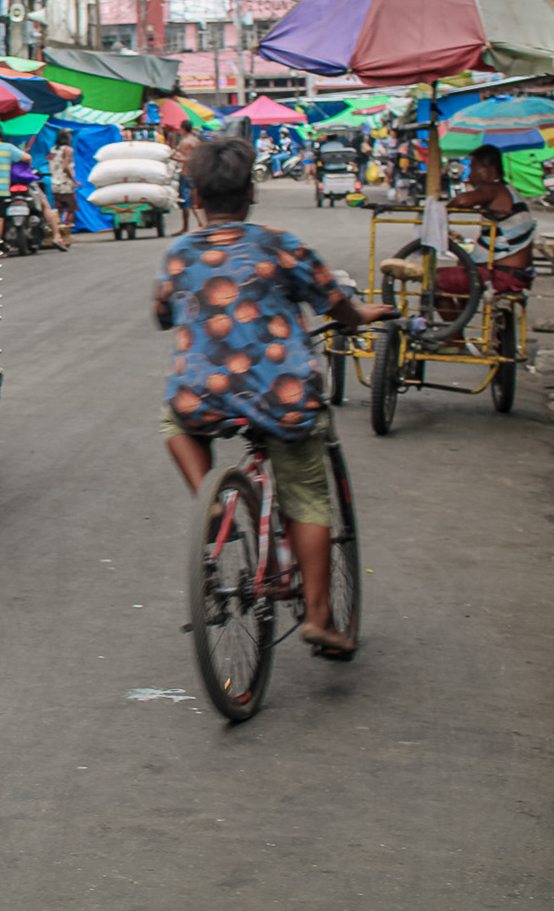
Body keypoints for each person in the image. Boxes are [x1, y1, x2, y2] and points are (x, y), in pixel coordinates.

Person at [154, 137, 394, 658]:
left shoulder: (179, 253)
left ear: (194, 197)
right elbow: (334, 303)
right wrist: (362, 314)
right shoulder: (277, 243)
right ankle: (320, 617)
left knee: (175, 423)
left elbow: (162, 314)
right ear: (252, 192)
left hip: (203, 395)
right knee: (307, 495)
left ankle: (211, 497)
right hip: (279, 394)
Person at [439, 143, 537, 306]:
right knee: (461, 269)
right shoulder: (507, 190)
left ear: (490, 171)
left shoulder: (493, 189)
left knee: (431, 280)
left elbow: (463, 200)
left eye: (473, 168)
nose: (471, 175)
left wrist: (441, 210)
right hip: (517, 273)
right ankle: (457, 326)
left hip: (501, 275)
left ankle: (453, 332)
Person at [171, 125, 203, 234]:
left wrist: (174, 156)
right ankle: (201, 224)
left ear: (183, 129)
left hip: (186, 174)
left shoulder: (185, 142)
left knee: (185, 202)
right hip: (196, 173)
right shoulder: (197, 141)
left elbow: (187, 158)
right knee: (195, 201)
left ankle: (186, 227)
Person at [48, 129, 77, 228]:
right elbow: (65, 167)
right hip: (66, 183)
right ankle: (68, 232)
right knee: (71, 209)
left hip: (54, 183)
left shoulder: (53, 150)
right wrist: (74, 181)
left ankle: (56, 230)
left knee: (58, 209)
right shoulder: (68, 149)